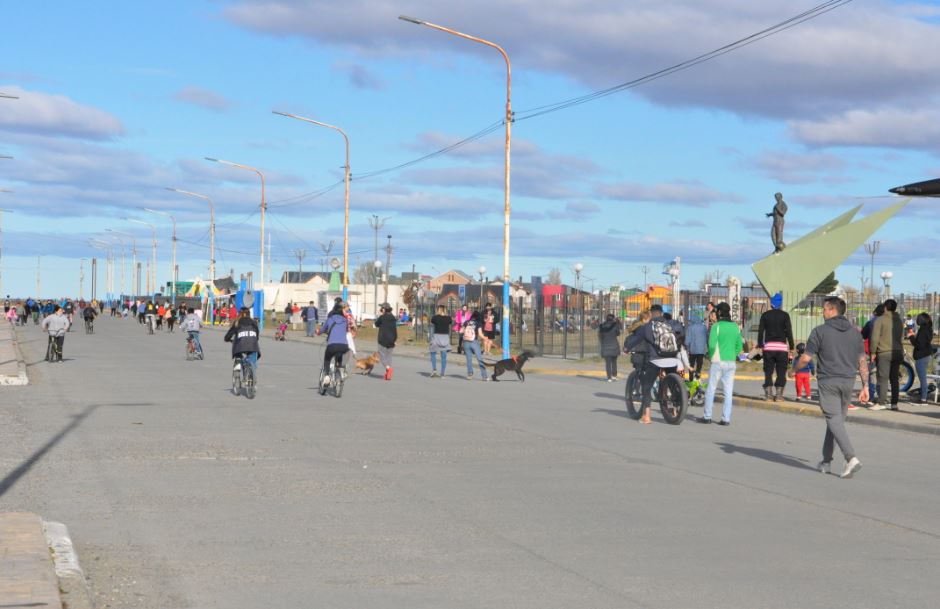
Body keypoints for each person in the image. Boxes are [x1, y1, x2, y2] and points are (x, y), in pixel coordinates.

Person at [795, 296, 867, 478]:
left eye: (825, 309)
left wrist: (792, 371)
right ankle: (826, 461)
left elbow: (805, 358)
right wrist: (865, 386)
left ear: (833, 310)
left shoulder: (820, 331)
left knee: (834, 420)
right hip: (848, 381)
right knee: (835, 423)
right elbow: (862, 361)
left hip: (828, 381)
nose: (822, 312)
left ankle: (851, 458)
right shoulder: (855, 333)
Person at [623, 306, 682, 424]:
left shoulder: (647, 327)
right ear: (661, 313)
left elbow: (636, 339)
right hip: (672, 358)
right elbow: (680, 336)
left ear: (651, 314)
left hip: (655, 360)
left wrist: (626, 349)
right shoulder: (669, 325)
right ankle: (675, 407)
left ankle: (647, 417)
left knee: (646, 386)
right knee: (672, 384)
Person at [699, 302, 743, 425]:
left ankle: (707, 416)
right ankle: (725, 419)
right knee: (728, 392)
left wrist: (711, 356)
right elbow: (739, 346)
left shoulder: (716, 326)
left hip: (718, 361)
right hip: (731, 362)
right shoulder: (735, 326)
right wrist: (732, 354)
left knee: (711, 389)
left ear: (719, 312)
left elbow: (712, 344)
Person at [757, 292, 795, 401]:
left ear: (772, 303)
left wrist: (760, 344)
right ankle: (779, 395)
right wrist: (791, 346)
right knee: (781, 371)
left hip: (768, 348)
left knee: (768, 371)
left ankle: (768, 394)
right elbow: (789, 332)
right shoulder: (785, 315)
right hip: (781, 348)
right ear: (780, 303)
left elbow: (760, 332)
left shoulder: (765, 315)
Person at [869, 298, 904, 411]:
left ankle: (881, 402)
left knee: (882, 378)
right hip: (898, 352)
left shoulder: (881, 320)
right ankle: (894, 403)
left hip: (884, 352)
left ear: (885, 307)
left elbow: (874, 337)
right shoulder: (899, 320)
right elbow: (901, 337)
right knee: (894, 378)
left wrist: (873, 352)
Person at [317, 302, 350, 384]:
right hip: (344, 346)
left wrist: (318, 332)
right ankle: (339, 370)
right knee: (339, 355)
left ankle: (327, 376)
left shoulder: (330, 319)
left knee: (327, 359)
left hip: (332, 345)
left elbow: (322, 330)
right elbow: (346, 330)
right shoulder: (345, 320)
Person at [224, 308, 261, 377]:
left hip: (240, 346)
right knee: (252, 357)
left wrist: (228, 339)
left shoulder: (237, 322)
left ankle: (239, 361)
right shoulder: (254, 322)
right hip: (253, 345)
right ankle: (252, 373)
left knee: (238, 353)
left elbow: (228, 336)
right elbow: (257, 335)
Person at [908, 312, 934, 404]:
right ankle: (923, 397)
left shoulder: (923, 330)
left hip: (922, 357)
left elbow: (919, 344)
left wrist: (911, 337)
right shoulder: (928, 329)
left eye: (918, 319)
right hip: (926, 355)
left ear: (921, 320)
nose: (916, 320)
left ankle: (923, 399)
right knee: (923, 378)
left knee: (922, 379)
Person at [461, 311, 488, 381]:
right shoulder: (478, 323)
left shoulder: (466, 322)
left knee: (469, 359)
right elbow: (480, 334)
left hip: (466, 342)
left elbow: (461, 331)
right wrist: (485, 338)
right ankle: (484, 376)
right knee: (479, 359)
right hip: (474, 342)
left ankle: (470, 374)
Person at [374, 303, 398, 380]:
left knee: (382, 355)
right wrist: (395, 339)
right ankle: (387, 374)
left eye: (382, 308)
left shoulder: (382, 317)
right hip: (392, 339)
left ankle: (388, 369)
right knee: (388, 356)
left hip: (383, 339)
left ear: (384, 309)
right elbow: (394, 329)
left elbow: (376, 324)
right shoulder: (393, 318)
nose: (381, 309)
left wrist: (379, 315)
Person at [429, 305, 453, 378]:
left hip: (436, 337)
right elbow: (450, 322)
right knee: (444, 356)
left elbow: (432, 323)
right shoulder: (448, 318)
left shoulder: (435, 317)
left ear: (438, 310)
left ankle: (434, 369)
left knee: (433, 352)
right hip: (445, 337)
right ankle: (442, 373)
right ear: (445, 310)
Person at [598, 314, 622, 382]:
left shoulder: (602, 326)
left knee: (608, 363)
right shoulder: (615, 325)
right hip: (614, 346)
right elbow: (618, 334)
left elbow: (600, 336)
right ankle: (614, 376)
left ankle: (609, 377)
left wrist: (603, 342)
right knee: (614, 361)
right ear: (613, 318)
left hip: (605, 346)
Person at [685, 315, 709, 379]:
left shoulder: (690, 327)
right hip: (701, 350)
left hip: (692, 350)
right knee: (699, 366)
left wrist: (686, 348)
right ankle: (697, 379)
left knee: (691, 365)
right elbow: (707, 338)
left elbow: (687, 340)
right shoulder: (704, 327)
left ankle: (691, 379)